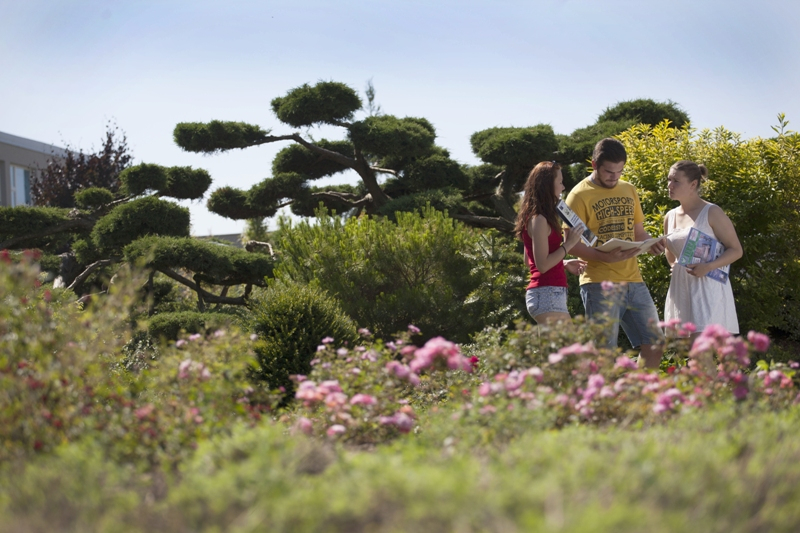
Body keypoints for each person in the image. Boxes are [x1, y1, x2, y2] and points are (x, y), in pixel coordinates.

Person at [565, 138, 666, 368]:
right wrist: (602, 256)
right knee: (604, 353)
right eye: (609, 172)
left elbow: (638, 232)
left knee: (655, 343)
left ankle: (640, 397)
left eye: (620, 171)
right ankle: (603, 402)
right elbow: (569, 244)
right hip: (598, 283)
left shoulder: (629, 189)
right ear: (594, 165)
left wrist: (651, 244)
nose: (615, 177)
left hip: (634, 280)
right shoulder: (578, 195)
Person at [663, 160, 742, 335]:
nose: (670, 185)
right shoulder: (670, 216)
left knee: (700, 354)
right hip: (680, 291)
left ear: (693, 184)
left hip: (707, 291)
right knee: (684, 354)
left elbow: (736, 250)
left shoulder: (712, 212)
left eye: (676, 181)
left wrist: (708, 267)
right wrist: (674, 266)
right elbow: (670, 252)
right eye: (669, 179)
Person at [516, 161, 587, 325]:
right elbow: (542, 265)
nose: (563, 187)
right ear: (548, 186)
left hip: (547, 295)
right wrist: (569, 244)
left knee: (552, 351)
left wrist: (564, 263)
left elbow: (529, 261)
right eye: (560, 182)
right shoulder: (539, 220)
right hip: (548, 294)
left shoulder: (533, 217)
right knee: (573, 349)